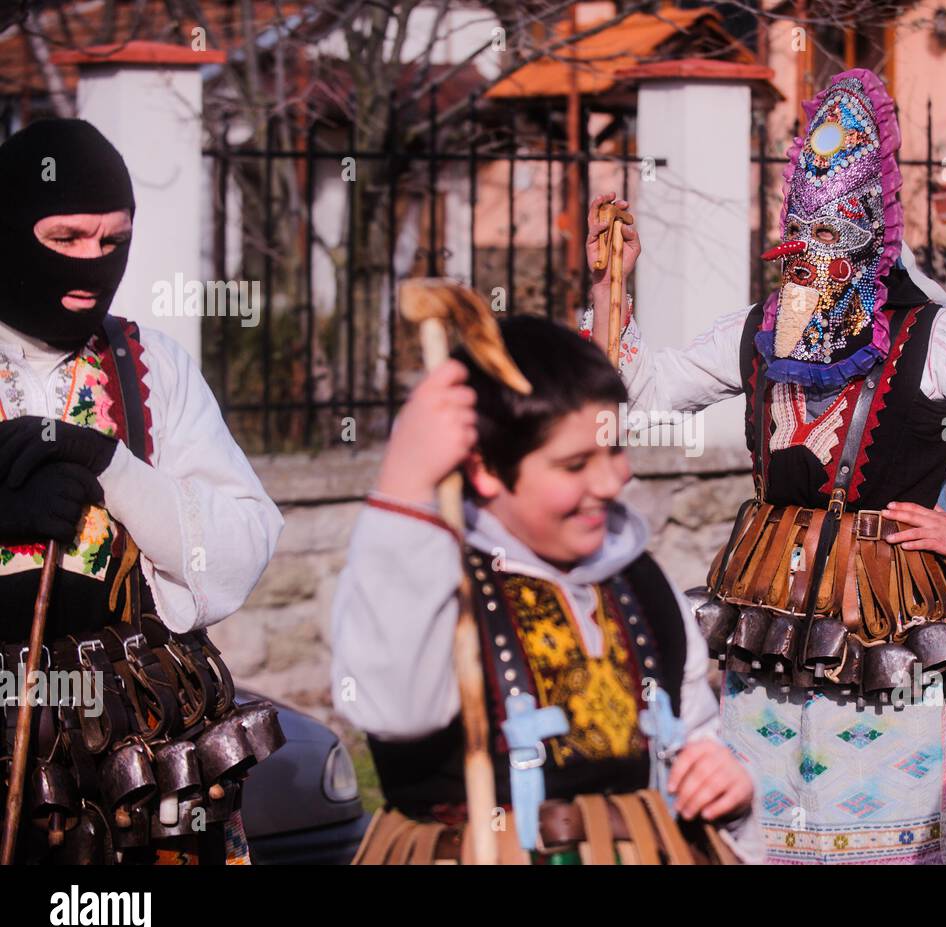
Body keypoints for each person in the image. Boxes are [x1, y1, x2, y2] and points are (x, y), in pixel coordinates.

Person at [583, 68, 946, 864]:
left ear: (866, 238)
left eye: (829, 247)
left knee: (894, 819)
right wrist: (611, 284)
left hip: (889, 607)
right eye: (800, 248)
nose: (810, 268)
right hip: (770, 604)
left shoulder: (935, 338)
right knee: (766, 807)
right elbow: (641, 393)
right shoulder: (757, 330)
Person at [331, 316, 762, 863]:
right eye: (575, 464)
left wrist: (722, 781)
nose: (611, 482)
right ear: (485, 468)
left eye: (615, 448)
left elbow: (691, 733)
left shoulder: (641, 584)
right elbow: (393, 709)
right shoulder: (431, 582)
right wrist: (403, 489)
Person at [0, 118, 284, 864]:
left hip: (135, 773)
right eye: (65, 238)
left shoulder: (149, 367)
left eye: (112, 241)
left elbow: (242, 544)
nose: (93, 263)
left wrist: (114, 468)